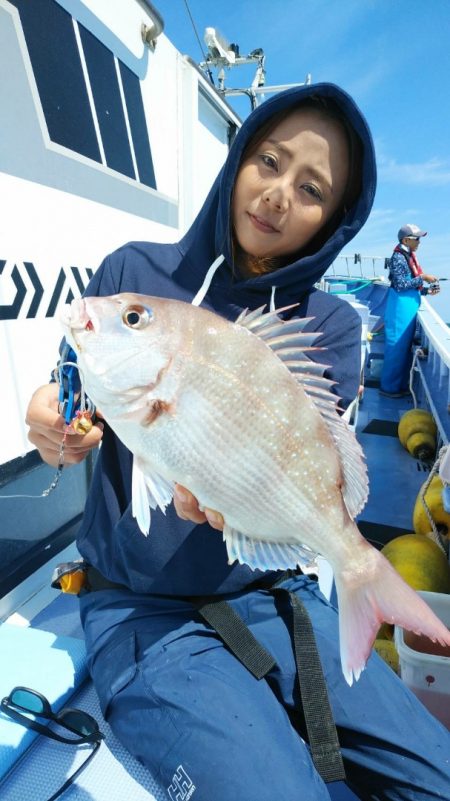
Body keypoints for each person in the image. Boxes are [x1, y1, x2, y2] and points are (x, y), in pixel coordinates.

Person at [26, 84, 450, 801]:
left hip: (274, 587)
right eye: (269, 160)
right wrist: (50, 427)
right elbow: (61, 402)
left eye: (311, 187)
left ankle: (362, 579)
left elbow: (299, 463)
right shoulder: (133, 275)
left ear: (335, 219)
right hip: (141, 609)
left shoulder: (333, 327)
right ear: (239, 162)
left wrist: (281, 525)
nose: (279, 193)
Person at [380, 224, 440, 398]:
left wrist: (427, 291)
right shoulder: (398, 258)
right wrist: (423, 277)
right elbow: (401, 285)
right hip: (400, 308)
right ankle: (389, 388)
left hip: (408, 307)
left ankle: (398, 385)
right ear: (406, 240)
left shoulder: (409, 256)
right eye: (417, 239)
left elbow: (410, 285)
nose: (419, 242)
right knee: (396, 348)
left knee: (404, 348)